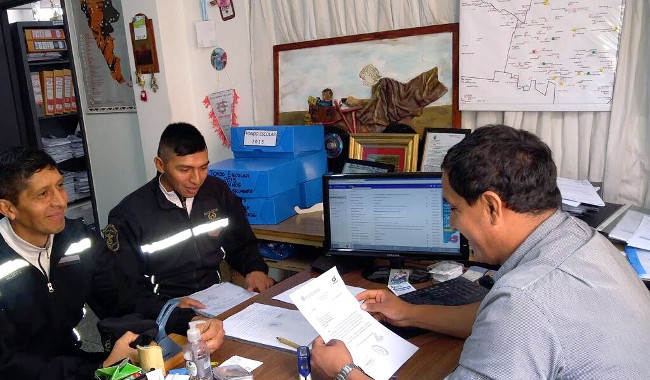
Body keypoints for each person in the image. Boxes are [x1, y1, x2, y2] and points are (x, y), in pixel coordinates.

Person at [310, 124, 650, 380]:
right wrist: (406, 313)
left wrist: (345, 371)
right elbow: (491, 316)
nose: (453, 224)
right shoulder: (580, 237)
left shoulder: (524, 301)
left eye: (454, 208)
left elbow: (518, 314)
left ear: (491, 207)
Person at [0, 147, 225, 380]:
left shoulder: (77, 239)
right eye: (42, 194)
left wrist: (189, 321)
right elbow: (7, 363)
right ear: (8, 208)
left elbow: (122, 295)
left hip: (69, 362)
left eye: (59, 186)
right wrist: (101, 368)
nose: (60, 202)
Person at [105, 122, 273, 303]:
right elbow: (126, 289)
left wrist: (254, 269)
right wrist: (170, 308)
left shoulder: (217, 192)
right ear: (160, 164)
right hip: (164, 306)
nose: (197, 179)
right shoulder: (129, 215)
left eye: (203, 167)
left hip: (217, 297)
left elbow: (241, 242)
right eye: (184, 170)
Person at [343, 63, 448, 132]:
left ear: (371, 75)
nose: (365, 83)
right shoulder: (378, 87)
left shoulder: (384, 83)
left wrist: (357, 102)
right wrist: (357, 102)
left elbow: (378, 106)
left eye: (365, 79)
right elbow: (377, 103)